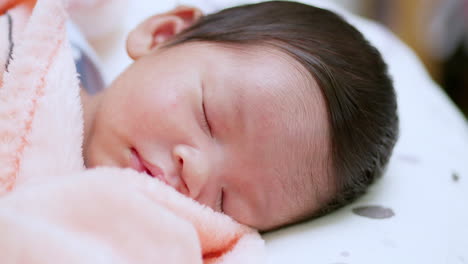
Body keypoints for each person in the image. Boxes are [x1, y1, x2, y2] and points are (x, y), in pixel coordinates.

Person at [80, 1, 399, 231]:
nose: (197, 171)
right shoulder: (42, 40)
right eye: (208, 118)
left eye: (225, 202)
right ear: (164, 33)